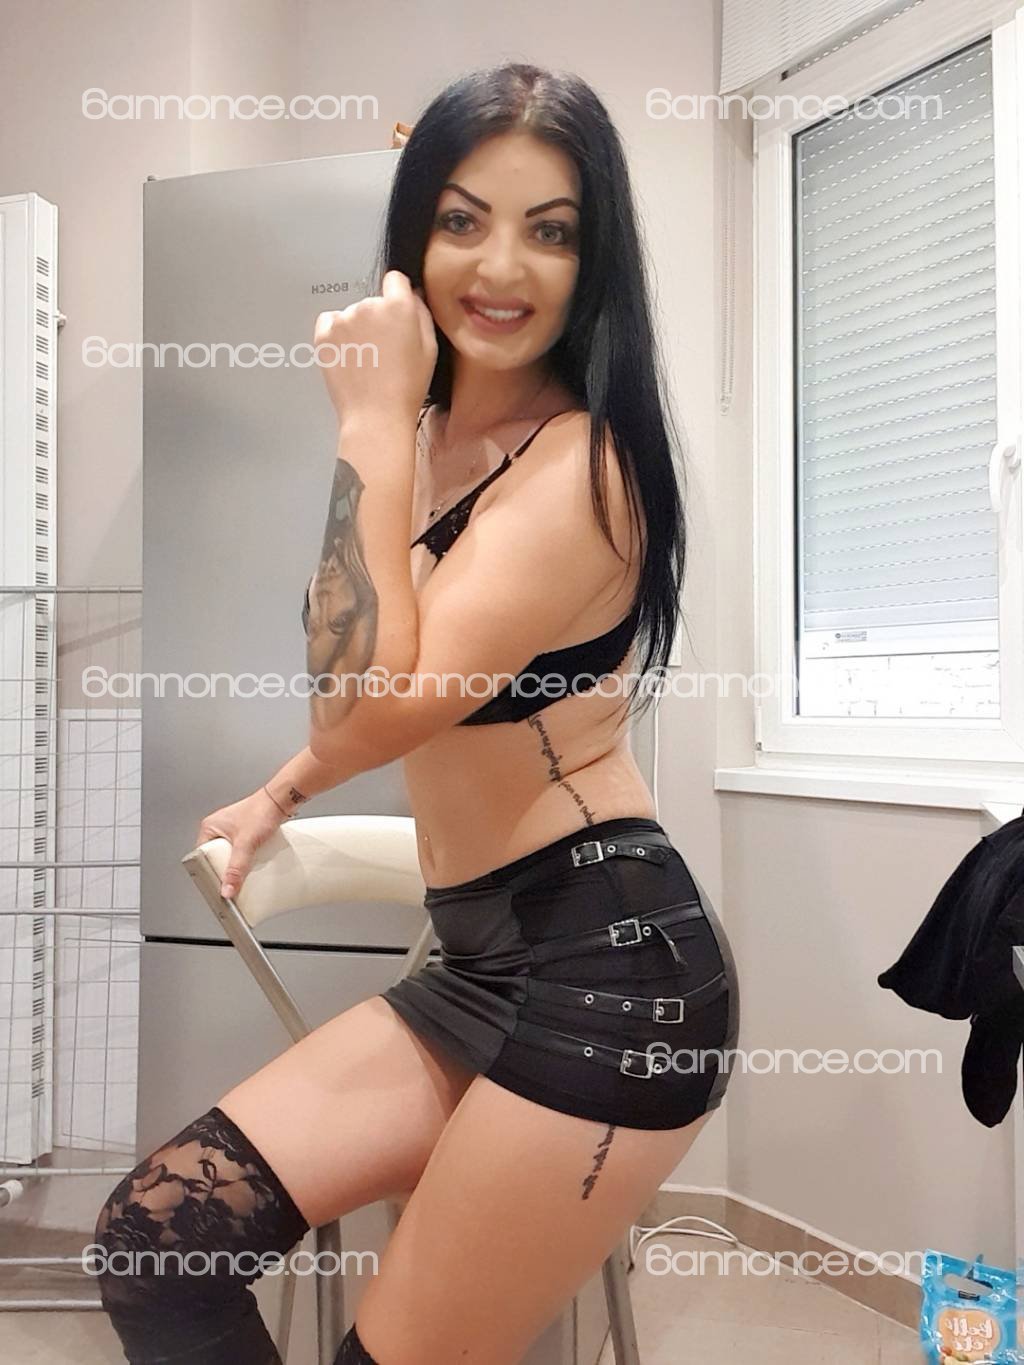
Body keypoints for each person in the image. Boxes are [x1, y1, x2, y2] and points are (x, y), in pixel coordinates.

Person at [93, 61, 741, 1365]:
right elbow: (390, 683)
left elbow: (365, 707)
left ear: (594, 260)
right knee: (157, 1245)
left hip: (611, 980)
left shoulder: (582, 470)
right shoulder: (434, 435)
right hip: (476, 960)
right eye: (461, 219)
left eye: (550, 229)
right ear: (413, 239)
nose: (500, 266)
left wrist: (373, 419)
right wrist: (279, 792)